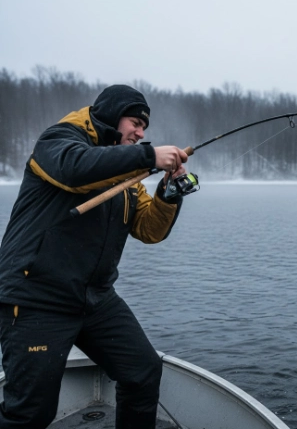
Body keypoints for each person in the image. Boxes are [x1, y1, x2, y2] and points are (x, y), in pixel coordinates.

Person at [0, 84, 189, 428]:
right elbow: (75, 169)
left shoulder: (124, 168)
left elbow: (149, 229)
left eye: (145, 127)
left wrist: (169, 191)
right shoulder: (58, 141)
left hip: (95, 299)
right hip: (36, 298)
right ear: (113, 115)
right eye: (135, 122)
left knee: (142, 372)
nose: (141, 132)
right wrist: (148, 156)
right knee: (30, 413)